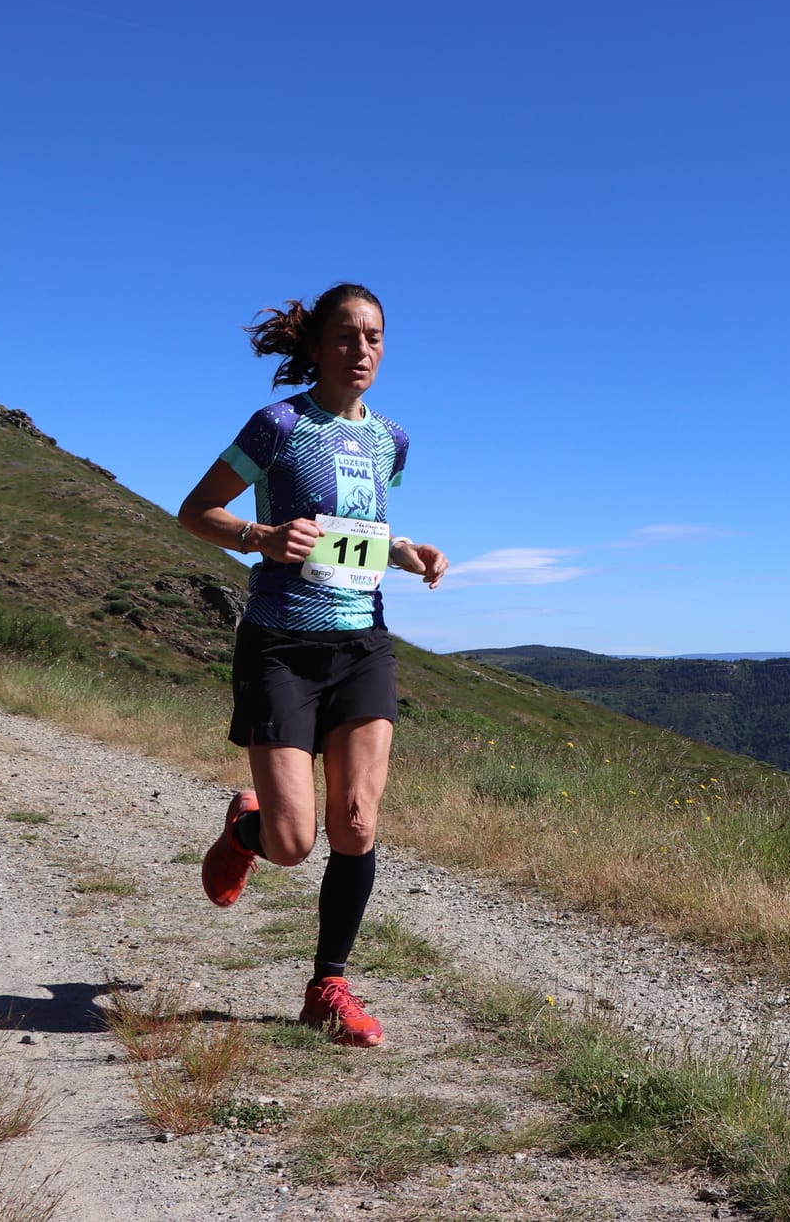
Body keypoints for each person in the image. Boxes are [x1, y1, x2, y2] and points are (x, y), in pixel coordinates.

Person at [177, 282, 447, 1046]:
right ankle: (248, 829)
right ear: (317, 345)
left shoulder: (392, 439)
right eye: (346, 337)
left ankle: (327, 985)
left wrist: (407, 550)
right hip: (282, 644)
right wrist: (258, 537)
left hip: (363, 642)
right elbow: (196, 512)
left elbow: (357, 531)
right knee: (295, 843)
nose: (361, 351)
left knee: (357, 820)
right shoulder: (280, 424)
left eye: (374, 338)